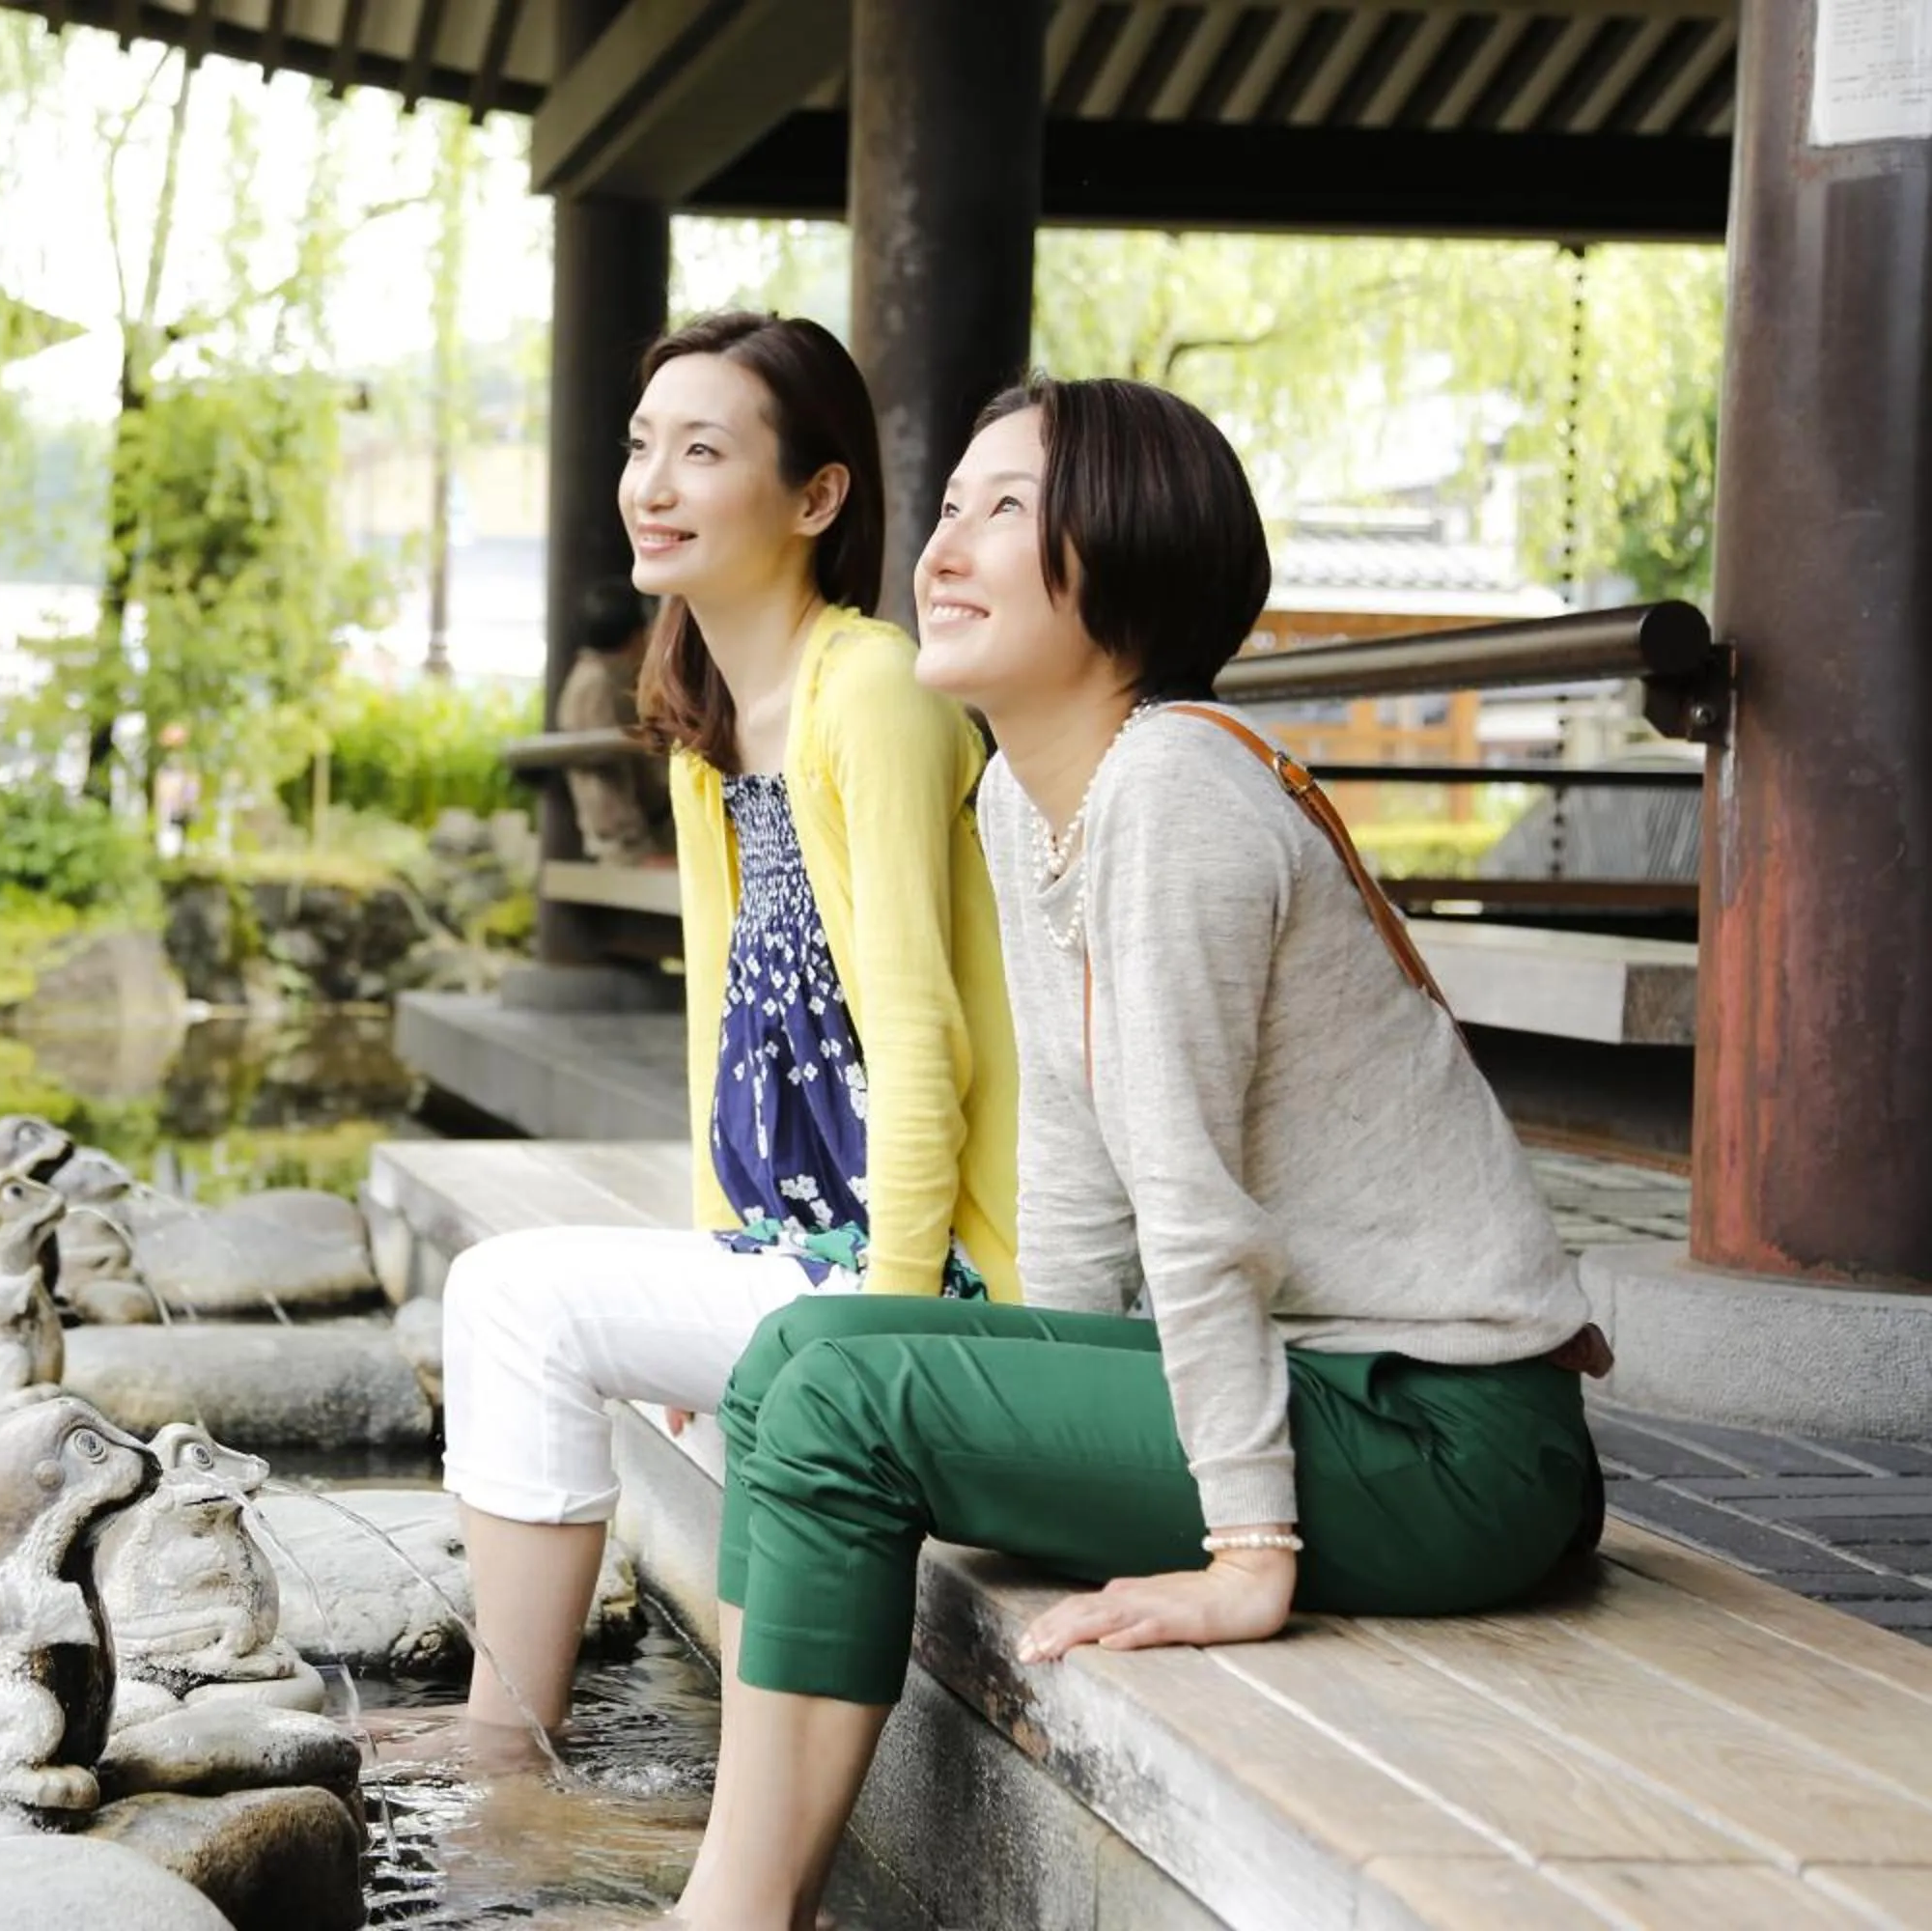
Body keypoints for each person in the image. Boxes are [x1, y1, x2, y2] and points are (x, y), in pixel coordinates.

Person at [663, 376, 1610, 1930]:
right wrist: (1065, 1410)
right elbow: (1075, 1172)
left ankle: (739, 1917)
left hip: (1449, 1438)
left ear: (1130, 555)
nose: (946, 548)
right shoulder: (1031, 806)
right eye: (951, 507)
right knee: (795, 1359)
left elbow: (1190, 1201)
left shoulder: (1174, 787)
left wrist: (1245, 1552)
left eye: (1008, 512)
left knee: (842, 1394)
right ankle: (751, 1892)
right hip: (1323, 1397)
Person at [430, 311, 1022, 1765]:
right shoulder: (714, 721)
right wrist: (717, 1259)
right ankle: (523, 1746)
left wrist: (878, 1327)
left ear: (817, 499)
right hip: (805, 1253)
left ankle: (506, 1753)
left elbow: (920, 1036)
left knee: (513, 1300)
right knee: (519, 1303)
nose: (654, 483)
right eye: (644, 448)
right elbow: (726, 1032)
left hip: (939, 1280)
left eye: (704, 452)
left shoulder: (871, 688)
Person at [554, 580, 673, 866]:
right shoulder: (595, 685)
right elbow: (602, 781)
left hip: (641, 835)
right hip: (627, 844)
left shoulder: (605, 677)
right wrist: (636, 850)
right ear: (636, 635)